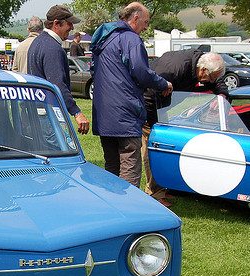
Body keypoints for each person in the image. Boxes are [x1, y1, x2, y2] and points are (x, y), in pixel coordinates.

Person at [90, 2, 172, 188]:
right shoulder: (131, 39)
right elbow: (141, 73)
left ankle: (111, 205)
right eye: (145, 22)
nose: (145, 27)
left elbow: (95, 72)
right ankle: (130, 208)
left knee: (111, 164)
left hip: (104, 115)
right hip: (125, 114)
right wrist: (163, 83)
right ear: (135, 18)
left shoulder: (104, 39)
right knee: (129, 165)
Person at [142, 50, 226, 206]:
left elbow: (217, 80)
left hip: (161, 107)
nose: (210, 82)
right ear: (203, 70)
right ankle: (154, 192)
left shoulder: (203, 62)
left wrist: (222, 94)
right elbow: (149, 95)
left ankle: (164, 188)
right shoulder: (175, 68)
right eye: (210, 78)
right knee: (153, 147)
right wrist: (155, 125)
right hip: (147, 107)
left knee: (165, 147)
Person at [27, 5, 89, 134]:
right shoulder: (53, 48)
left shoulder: (37, 42)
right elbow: (58, 85)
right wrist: (77, 112)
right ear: (56, 23)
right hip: (48, 116)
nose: (72, 28)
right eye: (69, 24)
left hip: (36, 114)